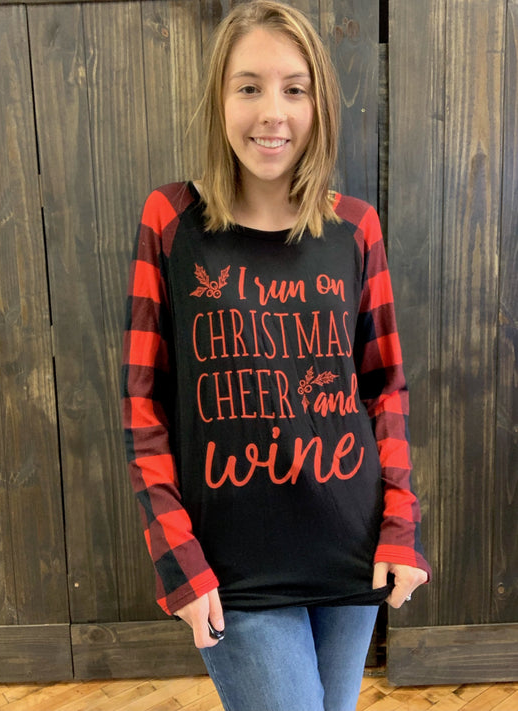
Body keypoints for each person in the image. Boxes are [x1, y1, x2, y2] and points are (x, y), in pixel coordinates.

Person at [122, 2, 431, 709]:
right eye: (249, 87)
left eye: (294, 88)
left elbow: (384, 388)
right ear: (219, 99)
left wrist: (400, 527)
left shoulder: (354, 227)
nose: (272, 112)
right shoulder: (171, 221)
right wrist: (178, 557)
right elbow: (143, 405)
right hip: (231, 566)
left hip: (349, 546)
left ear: (319, 104)